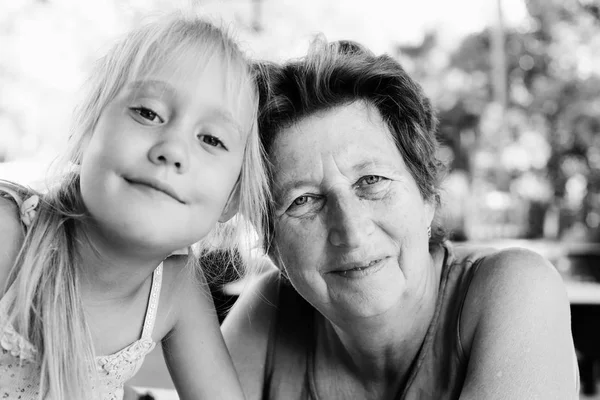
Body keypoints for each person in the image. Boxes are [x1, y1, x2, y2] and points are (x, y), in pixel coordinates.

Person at [222, 38, 580, 399]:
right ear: (271, 245)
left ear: (427, 195)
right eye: (304, 200)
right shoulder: (268, 313)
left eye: (371, 181)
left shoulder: (515, 288)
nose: (351, 231)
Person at [0, 11, 267, 400]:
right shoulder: (9, 238)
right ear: (83, 135)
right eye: (147, 113)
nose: (173, 149)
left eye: (211, 139)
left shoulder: (176, 288)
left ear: (231, 200)